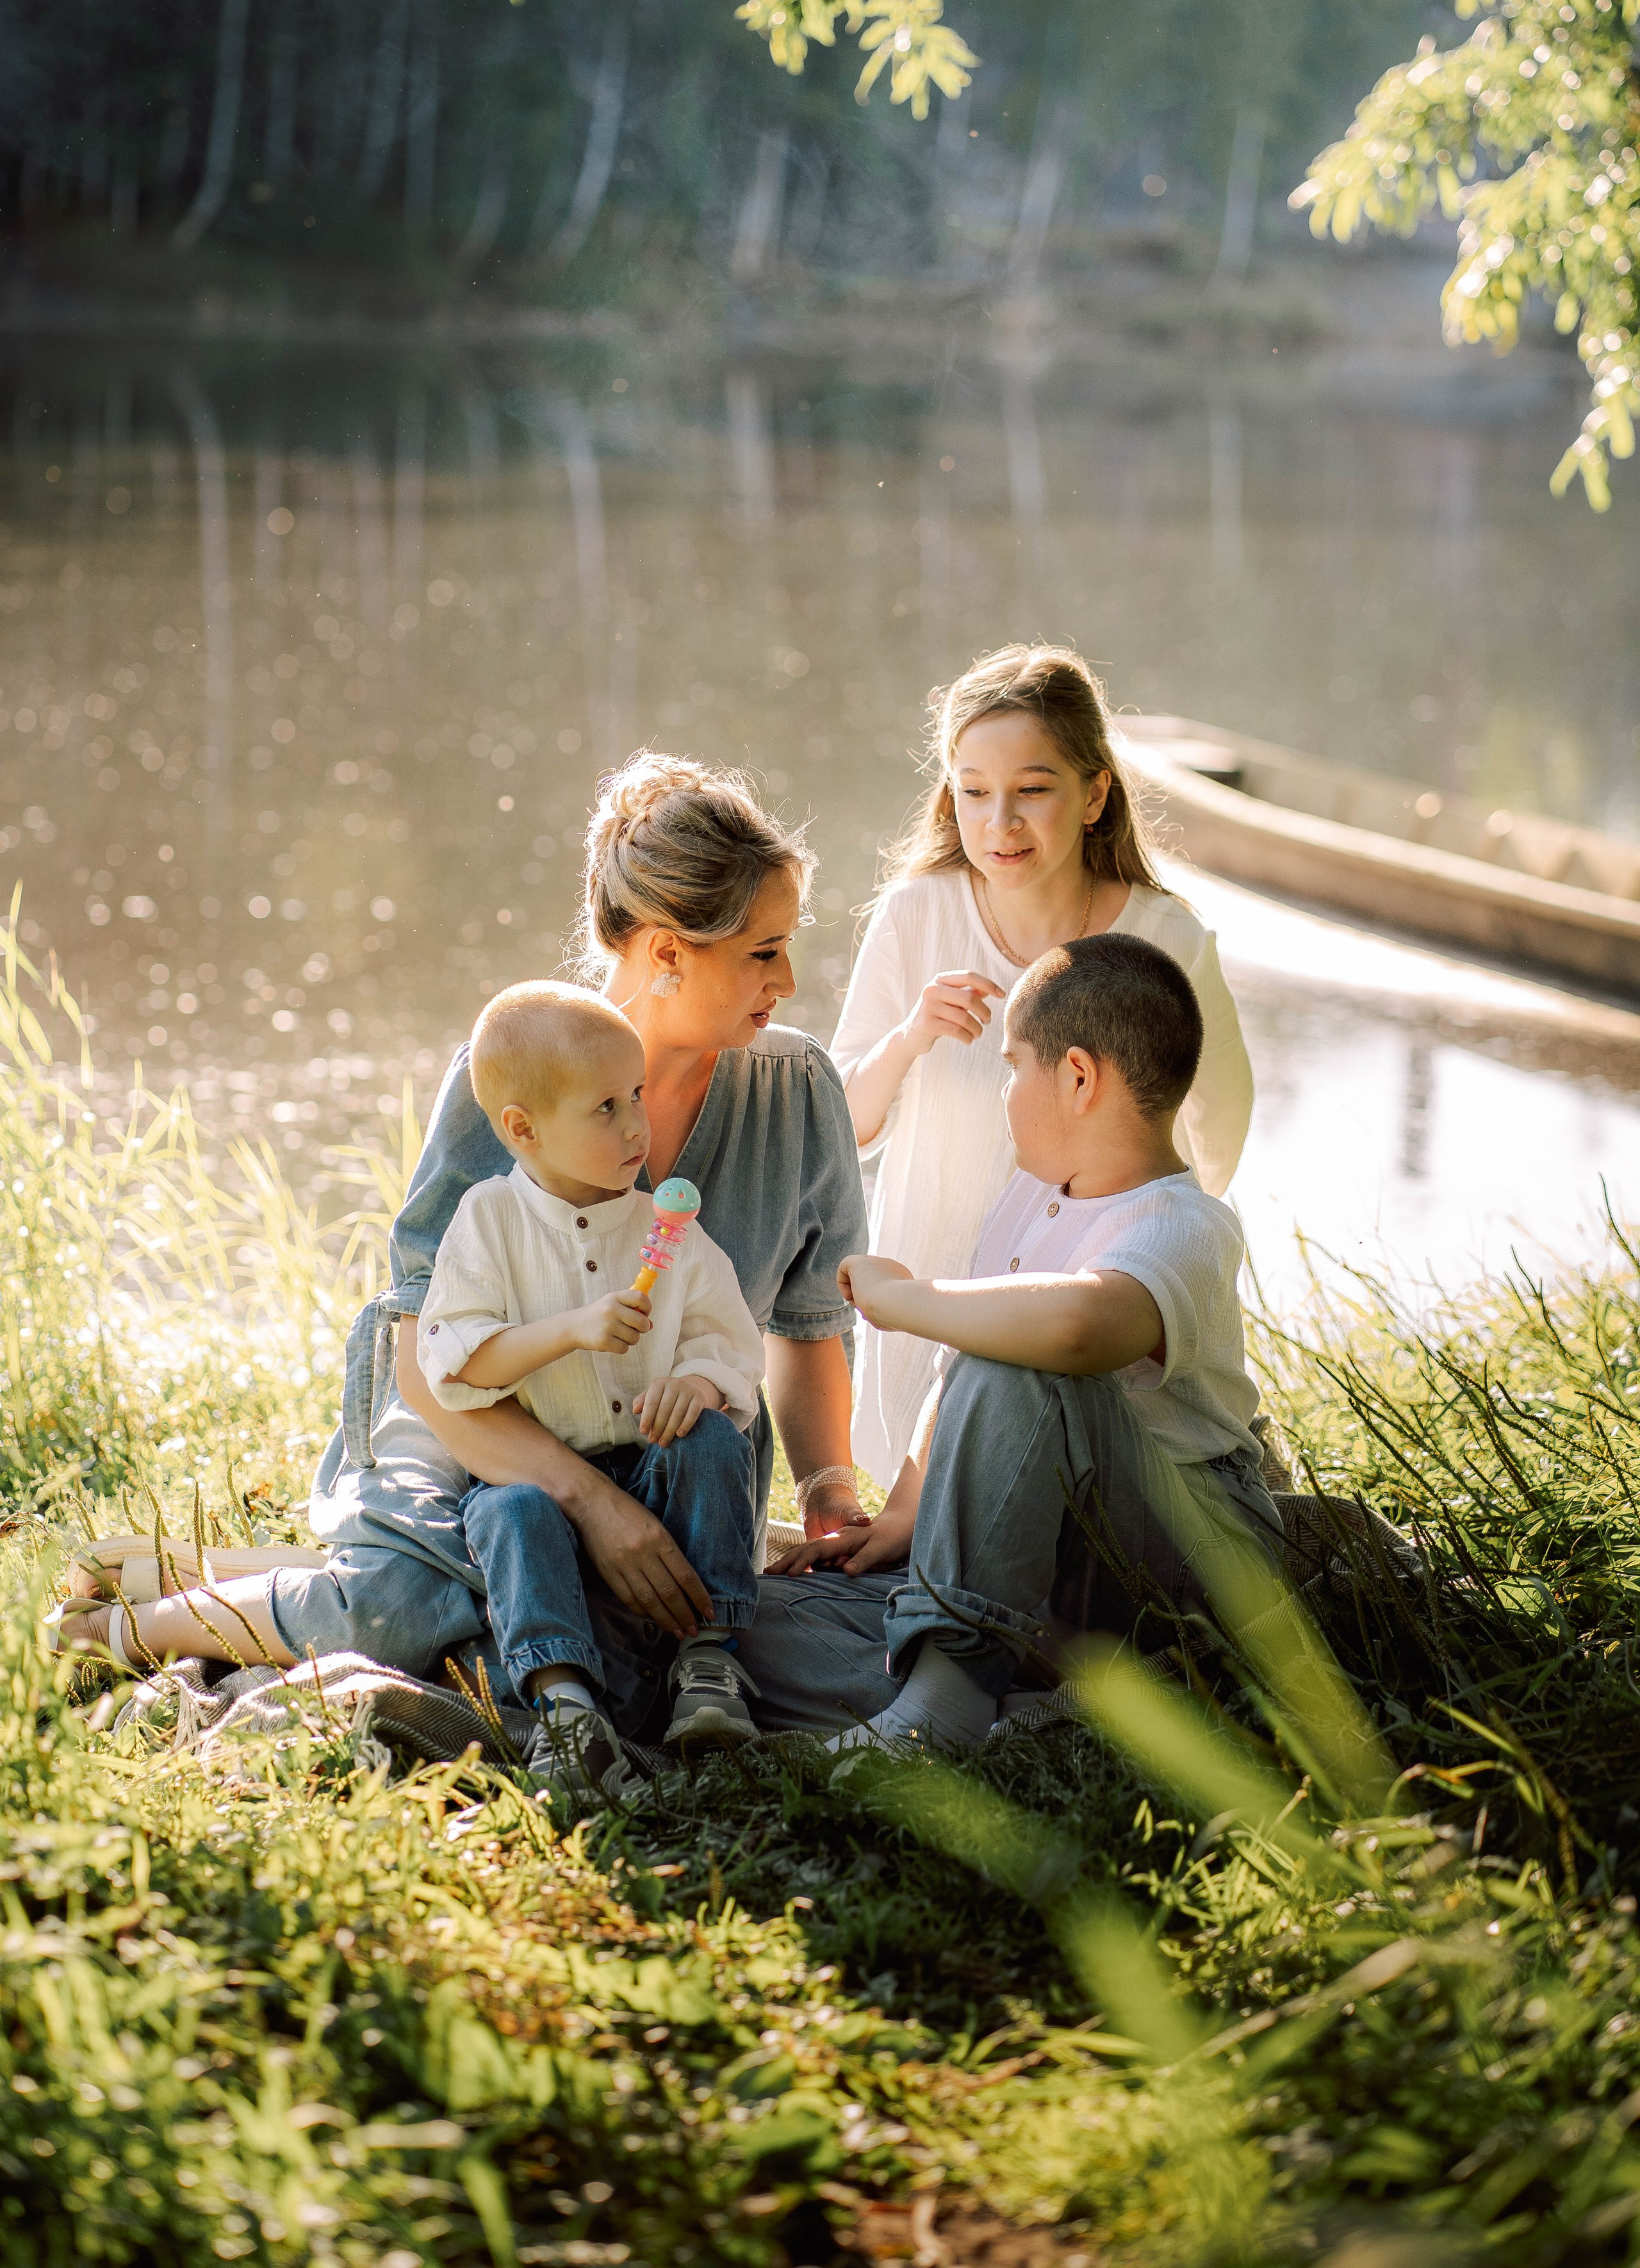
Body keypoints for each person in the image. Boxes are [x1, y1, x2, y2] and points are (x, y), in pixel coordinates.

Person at [54, 758, 869, 1718]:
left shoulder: (797, 1087)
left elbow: (809, 1329)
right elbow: (423, 1355)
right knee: (418, 1613)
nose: (791, 979)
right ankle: (142, 1623)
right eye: (762, 953)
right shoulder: (514, 1080)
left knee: (622, 1626)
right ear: (666, 953)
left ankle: (266, 1567)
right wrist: (591, 1505)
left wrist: (828, 1493)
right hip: (473, 1411)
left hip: (661, 1436)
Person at [750, 932, 1282, 1746]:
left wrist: (908, 1299)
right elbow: (962, 1373)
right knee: (740, 1623)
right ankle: (1014, 1702)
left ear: (1076, 1077)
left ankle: (944, 1700)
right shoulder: (1029, 1200)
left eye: (1011, 1066)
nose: (1005, 1091)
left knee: (1021, 1358)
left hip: (1183, 1560)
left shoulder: (1183, 1222)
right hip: (1040, 1577)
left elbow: (1074, 1331)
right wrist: (902, 1516)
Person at [831, 643, 1253, 1491]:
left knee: (1072, 1505)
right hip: (931, 1276)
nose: (1000, 824)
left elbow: (1217, 1127)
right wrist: (910, 1036)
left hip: (1085, 1298)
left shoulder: (1166, 938)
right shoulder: (918, 915)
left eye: (1033, 790)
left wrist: (1135, 1254)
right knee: (927, 1517)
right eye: (975, 792)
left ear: (1095, 792)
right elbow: (843, 1125)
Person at [416, 980, 767, 1795]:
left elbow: (733, 1344)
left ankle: (708, 1669)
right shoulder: (488, 1220)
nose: (637, 1124)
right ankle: (568, 1708)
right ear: (522, 1129)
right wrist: (570, 1330)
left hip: (652, 1466)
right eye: (604, 1107)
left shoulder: (667, 1228)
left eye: (636, 1094)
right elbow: (457, 1361)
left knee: (713, 1442)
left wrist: (699, 1385)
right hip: (547, 1476)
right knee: (506, 1511)